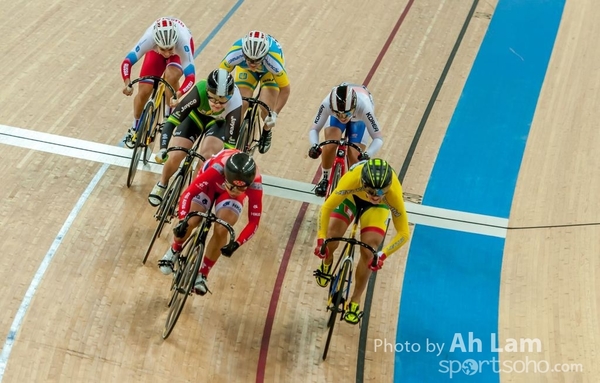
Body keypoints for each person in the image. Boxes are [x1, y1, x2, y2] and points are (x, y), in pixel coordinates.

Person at [313, 158, 410, 324]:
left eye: (381, 192)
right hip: (350, 197)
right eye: (372, 191)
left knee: (369, 252)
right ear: (364, 183)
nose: (376, 196)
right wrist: (321, 237)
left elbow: (404, 233)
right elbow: (327, 207)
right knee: (331, 236)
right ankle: (327, 263)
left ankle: (355, 301)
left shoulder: (393, 192)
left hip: (378, 209)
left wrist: (382, 255)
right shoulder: (352, 178)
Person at [158, 149, 263, 295]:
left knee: (222, 229)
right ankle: (174, 250)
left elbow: (254, 221)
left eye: (241, 189)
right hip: (209, 184)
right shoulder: (217, 168)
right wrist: (183, 219)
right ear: (226, 176)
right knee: (192, 219)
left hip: (225, 195)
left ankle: (203, 274)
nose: (235, 191)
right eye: (232, 186)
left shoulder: (255, 183)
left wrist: (237, 243)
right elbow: (188, 193)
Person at [147, 68, 243, 207]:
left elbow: (229, 149)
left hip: (218, 124)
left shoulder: (235, 103)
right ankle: (162, 184)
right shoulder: (200, 89)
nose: (216, 104)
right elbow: (172, 122)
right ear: (207, 91)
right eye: (213, 98)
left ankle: (190, 193)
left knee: (206, 159)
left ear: (230, 95)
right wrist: (163, 149)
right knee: (175, 155)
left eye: (222, 101)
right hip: (195, 117)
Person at [121, 17, 196, 148]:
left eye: (169, 49)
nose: (167, 53)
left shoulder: (182, 43)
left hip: (178, 54)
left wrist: (178, 94)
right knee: (144, 92)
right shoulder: (149, 38)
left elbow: (190, 77)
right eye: (163, 49)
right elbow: (127, 62)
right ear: (156, 42)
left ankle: (168, 112)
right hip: (155, 52)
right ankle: (135, 127)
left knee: (171, 75)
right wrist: (127, 82)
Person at [219, 30, 291, 154]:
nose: (252, 64)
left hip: (269, 73)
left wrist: (274, 114)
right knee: (240, 104)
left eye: (256, 60)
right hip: (246, 72)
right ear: (244, 52)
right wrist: (221, 100)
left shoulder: (273, 60)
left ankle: (267, 130)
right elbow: (221, 77)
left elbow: (285, 90)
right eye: (249, 59)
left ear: (264, 56)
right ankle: (232, 139)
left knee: (266, 110)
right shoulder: (235, 52)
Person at [308, 83, 384, 197]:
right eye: (339, 114)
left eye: (346, 114)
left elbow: (378, 138)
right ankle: (325, 179)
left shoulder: (364, 107)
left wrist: (368, 154)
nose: (343, 118)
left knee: (355, 156)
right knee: (330, 145)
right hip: (345, 112)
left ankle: (353, 189)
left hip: (359, 118)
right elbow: (314, 129)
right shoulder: (327, 104)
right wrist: (314, 145)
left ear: (353, 106)